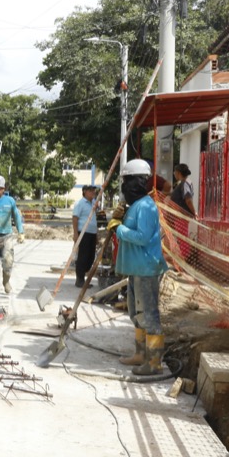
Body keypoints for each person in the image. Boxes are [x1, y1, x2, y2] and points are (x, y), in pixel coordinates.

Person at [108, 158, 169, 376]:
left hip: (146, 267)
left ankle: (153, 363)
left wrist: (120, 229)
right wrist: (119, 218)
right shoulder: (135, 205)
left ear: (135, 183)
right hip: (136, 268)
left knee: (149, 314)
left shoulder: (146, 206)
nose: (124, 187)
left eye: (126, 182)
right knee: (136, 312)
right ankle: (140, 354)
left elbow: (142, 237)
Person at [71, 185, 100, 288]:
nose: (93, 193)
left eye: (94, 191)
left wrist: (96, 235)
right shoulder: (80, 203)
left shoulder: (93, 203)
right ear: (85, 192)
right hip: (83, 233)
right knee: (83, 256)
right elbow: (75, 218)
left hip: (92, 233)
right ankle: (80, 280)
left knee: (91, 256)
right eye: (91, 191)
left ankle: (83, 274)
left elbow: (93, 219)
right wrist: (75, 234)